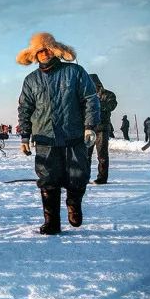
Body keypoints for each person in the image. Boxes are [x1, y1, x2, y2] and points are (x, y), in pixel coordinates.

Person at [17, 32, 100, 235]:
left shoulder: (75, 72)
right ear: (35, 55)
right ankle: (52, 223)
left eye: (46, 49)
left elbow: (91, 98)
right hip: (45, 137)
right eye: (39, 51)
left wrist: (89, 126)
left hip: (74, 134)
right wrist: (25, 136)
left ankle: (74, 204)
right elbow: (25, 108)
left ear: (53, 50)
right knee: (48, 179)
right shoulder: (31, 80)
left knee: (78, 176)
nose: (43, 54)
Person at [87, 74, 118, 184]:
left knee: (102, 155)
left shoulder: (108, 94)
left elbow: (112, 105)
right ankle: (84, 177)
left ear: (98, 84)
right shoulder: (86, 96)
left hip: (102, 129)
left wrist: (97, 104)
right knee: (86, 155)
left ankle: (102, 178)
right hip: (88, 129)